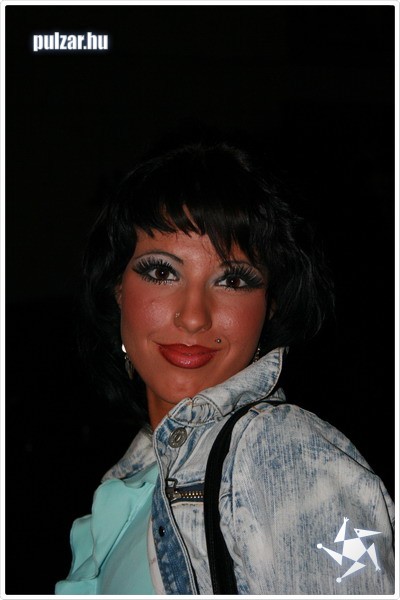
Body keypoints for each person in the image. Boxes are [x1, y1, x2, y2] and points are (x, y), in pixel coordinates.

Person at [55, 137, 394, 595]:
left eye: (232, 279)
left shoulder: (277, 453)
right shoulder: (137, 475)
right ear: (118, 289)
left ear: (270, 307)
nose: (194, 316)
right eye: (162, 272)